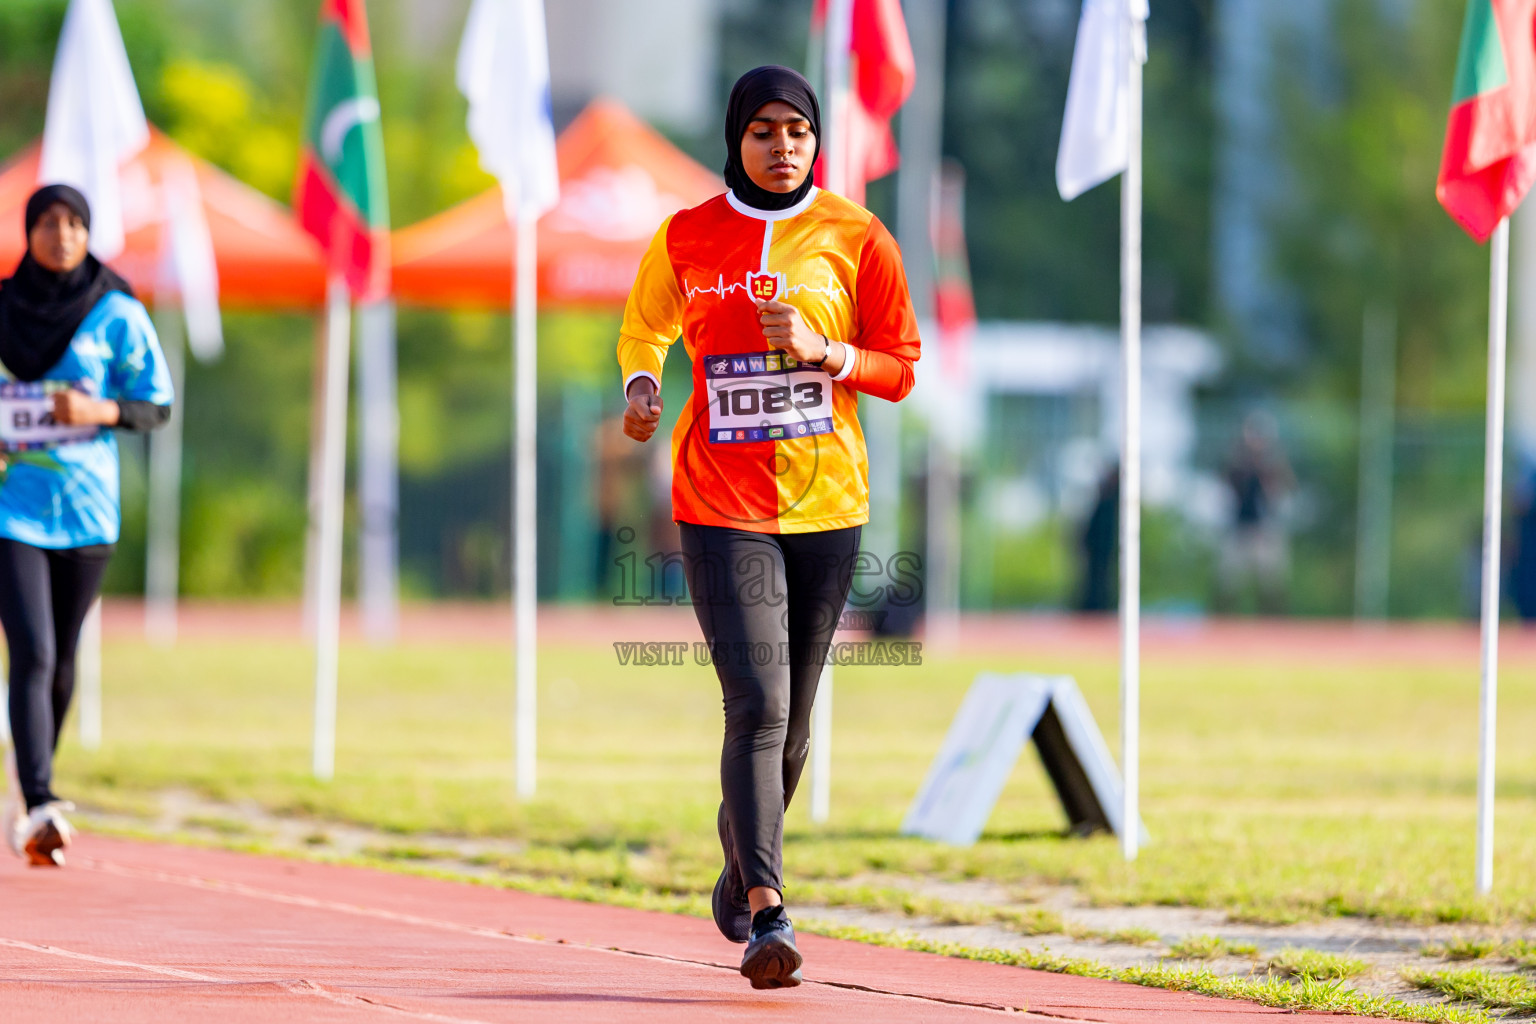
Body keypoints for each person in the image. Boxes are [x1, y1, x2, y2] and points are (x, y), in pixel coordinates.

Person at [617, 66, 919, 989]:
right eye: (763, 131)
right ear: (734, 139)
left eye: (797, 130)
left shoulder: (857, 235)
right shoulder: (687, 235)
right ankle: (768, 916)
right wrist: (639, 385)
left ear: (815, 140)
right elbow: (644, 330)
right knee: (756, 705)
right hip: (719, 506)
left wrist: (825, 349)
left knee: (793, 728)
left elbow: (901, 366)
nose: (782, 146)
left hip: (829, 507)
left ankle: (739, 867)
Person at [0, 185, 174, 867]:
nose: (62, 234)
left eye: (74, 223)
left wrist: (97, 412)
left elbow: (154, 406)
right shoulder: (2, 306)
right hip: (12, 507)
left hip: (88, 510)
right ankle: (40, 799)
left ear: (88, 233)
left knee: (63, 659)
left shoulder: (116, 312)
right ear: (28, 231)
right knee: (33, 652)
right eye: (48, 222)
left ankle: (39, 787)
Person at [1217, 411, 1294, 614]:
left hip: (1264, 527)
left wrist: (1268, 472)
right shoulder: (1237, 461)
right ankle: (1225, 623)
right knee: (1229, 580)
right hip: (1240, 526)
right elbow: (1227, 484)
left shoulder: (1273, 462)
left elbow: (1284, 488)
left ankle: (1271, 624)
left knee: (1271, 582)